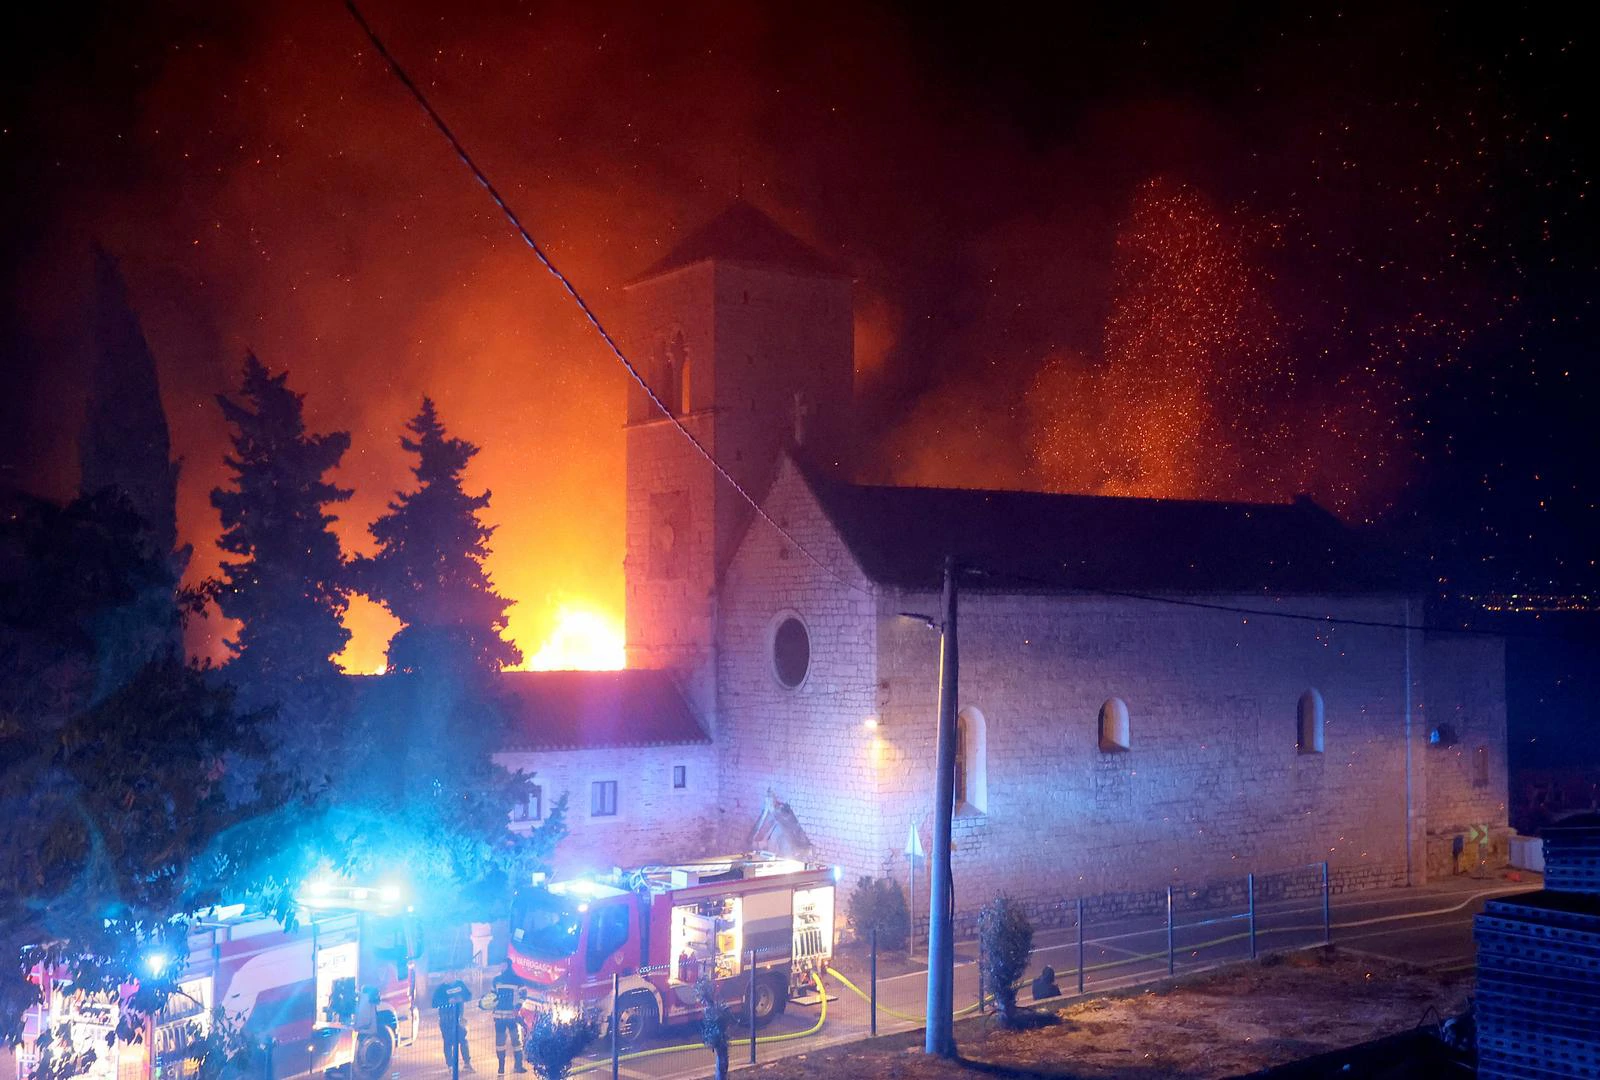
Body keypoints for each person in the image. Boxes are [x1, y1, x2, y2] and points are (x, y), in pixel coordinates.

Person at [489, 964, 528, 1074]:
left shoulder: (516, 980)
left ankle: (517, 1066)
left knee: (516, 1042)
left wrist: (517, 1008)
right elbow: (492, 997)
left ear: (508, 966)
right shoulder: (497, 980)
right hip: (501, 1016)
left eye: (503, 965)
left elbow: (523, 995)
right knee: (501, 1043)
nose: (501, 967)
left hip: (511, 1016)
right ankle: (501, 1068)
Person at [431, 979, 475, 1073]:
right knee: (448, 1043)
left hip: (458, 1019)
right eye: (448, 973)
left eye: (452, 972)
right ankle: (451, 1066)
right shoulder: (440, 989)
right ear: (445, 975)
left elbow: (469, 995)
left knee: (463, 1040)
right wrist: (447, 1001)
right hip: (446, 1020)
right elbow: (434, 1003)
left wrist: (461, 998)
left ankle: (467, 1064)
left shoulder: (460, 984)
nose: (450, 975)